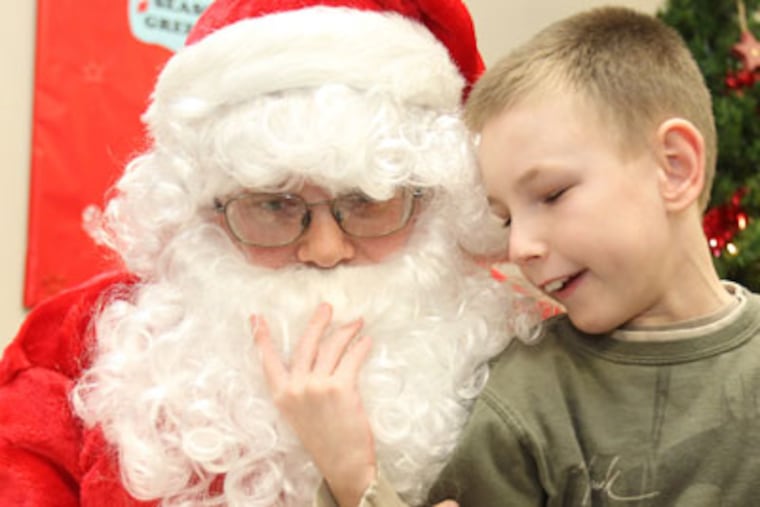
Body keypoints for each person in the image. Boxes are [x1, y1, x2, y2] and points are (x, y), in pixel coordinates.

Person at [0, 0, 543, 506]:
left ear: (435, 203)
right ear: (204, 211)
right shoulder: (71, 351)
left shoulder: (535, 355)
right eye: (275, 206)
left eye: (370, 201)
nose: (326, 250)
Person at [282, 5, 760, 507]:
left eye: (552, 194)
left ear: (675, 168)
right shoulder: (522, 400)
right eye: (506, 218)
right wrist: (356, 480)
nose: (519, 248)